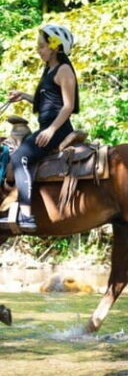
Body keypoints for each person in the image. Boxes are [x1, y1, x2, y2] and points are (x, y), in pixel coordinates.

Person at [0, 24, 79, 231]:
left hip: (58, 129)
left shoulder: (64, 70)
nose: (38, 49)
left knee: (19, 158)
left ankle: (25, 215)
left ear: (54, 47)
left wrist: (51, 130)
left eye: (42, 46)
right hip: (48, 126)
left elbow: (68, 106)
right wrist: (24, 96)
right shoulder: (49, 69)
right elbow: (48, 101)